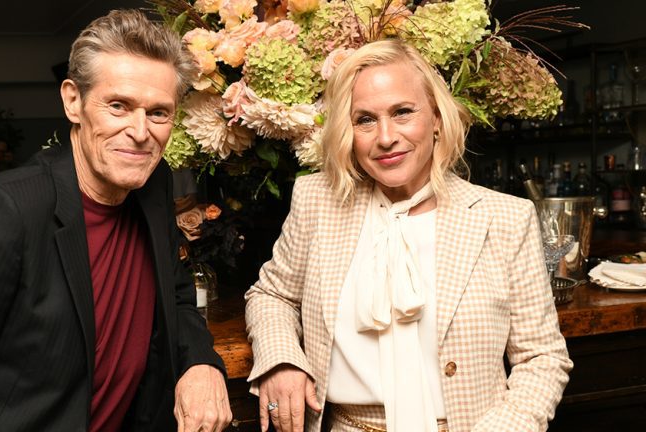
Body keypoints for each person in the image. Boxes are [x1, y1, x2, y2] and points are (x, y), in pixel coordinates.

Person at [0, 9, 231, 432]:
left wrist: (200, 363)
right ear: (73, 101)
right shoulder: (1, 210)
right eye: (119, 106)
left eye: (158, 112)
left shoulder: (153, 185)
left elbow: (175, 296)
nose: (141, 132)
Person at [245, 39, 572, 432]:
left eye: (402, 112)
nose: (385, 137)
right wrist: (281, 359)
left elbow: (542, 358)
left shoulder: (503, 218)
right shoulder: (317, 202)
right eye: (365, 119)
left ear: (436, 117)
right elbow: (271, 294)